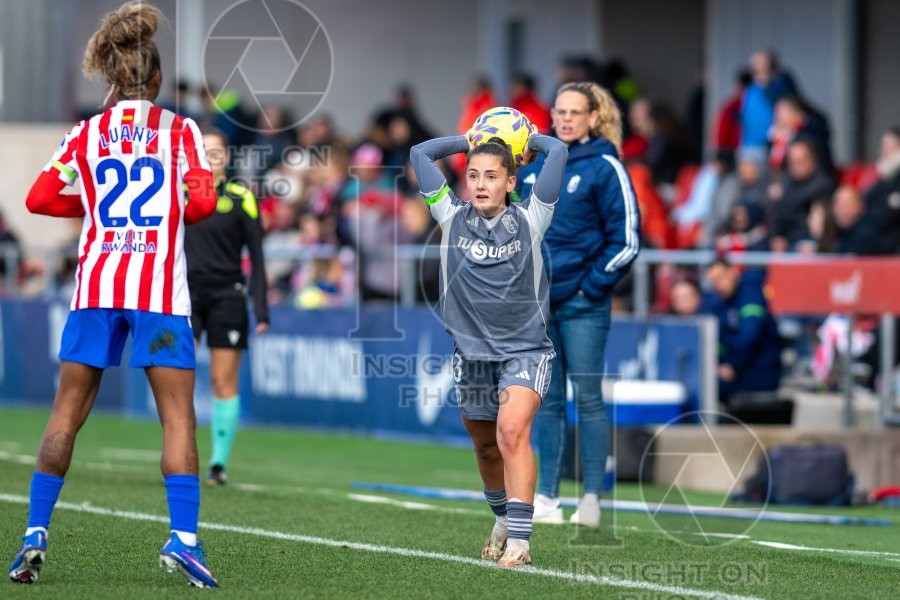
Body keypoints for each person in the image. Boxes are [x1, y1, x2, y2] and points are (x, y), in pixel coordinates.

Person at [7, 3, 219, 588]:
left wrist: (96, 203)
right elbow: (201, 205)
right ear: (156, 79)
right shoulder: (182, 132)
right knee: (177, 417)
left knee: (65, 413)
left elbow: (38, 199)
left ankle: (34, 534)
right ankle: (183, 540)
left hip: (97, 285)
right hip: (158, 290)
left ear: (109, 79)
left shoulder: (85, 133)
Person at [410, 130, 567, 567]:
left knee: (512, 431)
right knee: (484, 446)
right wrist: (467, 139)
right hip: (471, 354)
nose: (480, 183)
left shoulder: (533, 218)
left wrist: (530, 138)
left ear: (511, 182)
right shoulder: (449, 213)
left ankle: (520, 542)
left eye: (492, 176)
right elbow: (419, 154)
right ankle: (502, 517)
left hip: (526, 351)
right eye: (474, 175)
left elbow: (560, 152)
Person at [518, 82, 641, 528]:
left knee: (587, 398)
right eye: (561, 111)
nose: (567, 119)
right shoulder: (532, 169)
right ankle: (547, 496)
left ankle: (591, 497)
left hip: (584, 305)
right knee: (547, 402)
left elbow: (626, 239)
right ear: (551, 116)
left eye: (576, 112)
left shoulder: (605, 166)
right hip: (540, 306)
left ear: (593, 118)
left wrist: (592, 286)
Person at [185, 129, 269, 486]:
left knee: (223, 380)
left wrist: (261, 311)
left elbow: (258, 258)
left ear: (227, 158)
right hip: (183, 296)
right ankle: (181, 457)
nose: (210, 157)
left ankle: (218, 464)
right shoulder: (180, 194)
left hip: (228, 296)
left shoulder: (241, 197)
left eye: (216, 152)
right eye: (204, 151)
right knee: (177, 379)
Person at [702, 259, 782, 406]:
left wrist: (732, 365)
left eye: (721, 277)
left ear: (733, 271)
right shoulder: (720, 302)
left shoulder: (751, 296)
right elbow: (718, 338)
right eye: (714, 281)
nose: (719, 284)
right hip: (738, 370)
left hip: (760, 371)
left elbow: (750, 337)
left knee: (710, 388)